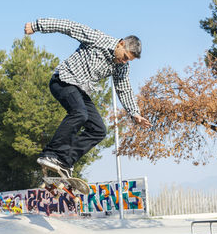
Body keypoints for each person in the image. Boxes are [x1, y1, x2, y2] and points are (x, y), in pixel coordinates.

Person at [24, 18, 151, 178]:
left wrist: (135, 113)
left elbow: (124, 88)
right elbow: (69, 27)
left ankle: (65, 161)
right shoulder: (98, 39)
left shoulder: (122, 66)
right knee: (80, 114)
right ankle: (51, 153)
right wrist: (37, 26)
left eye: (128, 60)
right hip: (62, 80)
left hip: (79, 91)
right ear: (121, 44)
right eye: (125, 56)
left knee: (99, 130)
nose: (124, 61)